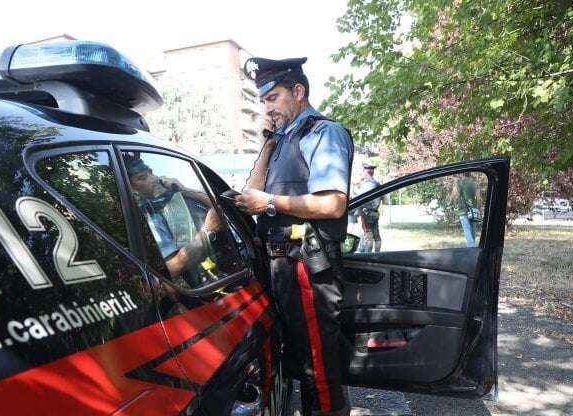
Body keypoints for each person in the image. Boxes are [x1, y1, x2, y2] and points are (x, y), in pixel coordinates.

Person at [235, 56, 353, 416]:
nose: (267, 108)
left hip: (307, 264)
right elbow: (247, 196)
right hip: (280, 264)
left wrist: (269, 202)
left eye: (273, 98)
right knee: (303, 360)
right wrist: (268, 143)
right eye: (263, 102)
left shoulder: (323, 132)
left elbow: (333, 204)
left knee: (318, 365)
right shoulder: (282, 139)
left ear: (298, 91)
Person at [124, 155, 221, 278]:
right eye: (142, 178)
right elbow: (173, 267)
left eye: (150, 172)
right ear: (131, 189)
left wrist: (184, 190)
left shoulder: (168, 202)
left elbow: (218, 207)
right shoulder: (147, 218)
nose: (153, 179)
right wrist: (207, 231)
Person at [354, 162, 381, 252]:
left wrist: (355, 188)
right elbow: (383, 198)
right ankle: (377, 256)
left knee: (369, 238)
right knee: (377, 237)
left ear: (366, 172)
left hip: (367, 214)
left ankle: (369, 258)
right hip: (375, 212)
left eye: (363, 171)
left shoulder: (366, 185)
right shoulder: (377, 184)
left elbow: (359, 198)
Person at [450, 173, 480, 247]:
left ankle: (471, 247)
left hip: (462, 210)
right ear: (470, 174)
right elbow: (478, 197)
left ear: (461, 174)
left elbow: (453, 195)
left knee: (467, 229)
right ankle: (472, 247)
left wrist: (451, 203)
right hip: (473, 210)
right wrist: (477, 207)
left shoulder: (458, 183)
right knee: (472, 230)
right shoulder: (474, 183)